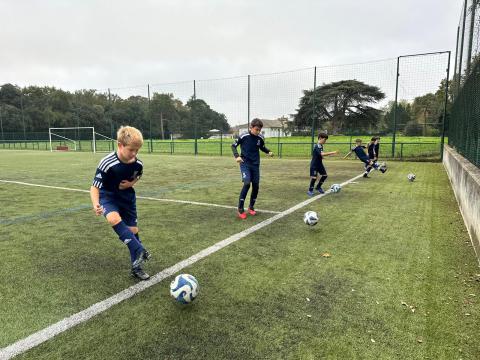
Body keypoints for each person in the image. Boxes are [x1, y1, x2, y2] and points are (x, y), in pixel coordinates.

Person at [90, 126, 151, 280]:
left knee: (133, 229)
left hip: (127, 199)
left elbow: (138, 176)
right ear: (120, 145)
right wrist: (96, 203)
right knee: (113, 219)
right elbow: (94, 187)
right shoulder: (107, 162)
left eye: (137, 150)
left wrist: (131, 184)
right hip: (107, 196)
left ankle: (136, 267)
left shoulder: (138, 164)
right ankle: (139, 249)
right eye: (131, 150)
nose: (134, 154)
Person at [231, 118, 274, 219]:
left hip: (255, 165)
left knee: (256, 186)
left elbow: (262, 147)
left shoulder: (260, 138)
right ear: (251, 128)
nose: (258, 132)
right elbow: (233, 146)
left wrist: (268, 152)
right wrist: (237, 156)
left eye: (259, 130)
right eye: (256, 129)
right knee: (247, 183)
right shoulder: (243, 136)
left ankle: (251, 207)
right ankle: (240, 208)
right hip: (245, 163)